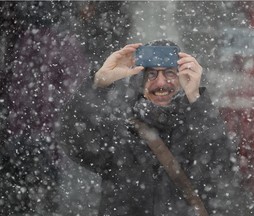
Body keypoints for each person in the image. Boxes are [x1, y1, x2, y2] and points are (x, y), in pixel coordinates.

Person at [59, 39, 239, 215]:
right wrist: (98, 84)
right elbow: (75, 141)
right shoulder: (121, 130)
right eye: (151, 75)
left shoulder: (195, 126)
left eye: (170, 73)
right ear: (140, 83)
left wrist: (195, 97)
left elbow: (221, 162)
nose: (161, 83)